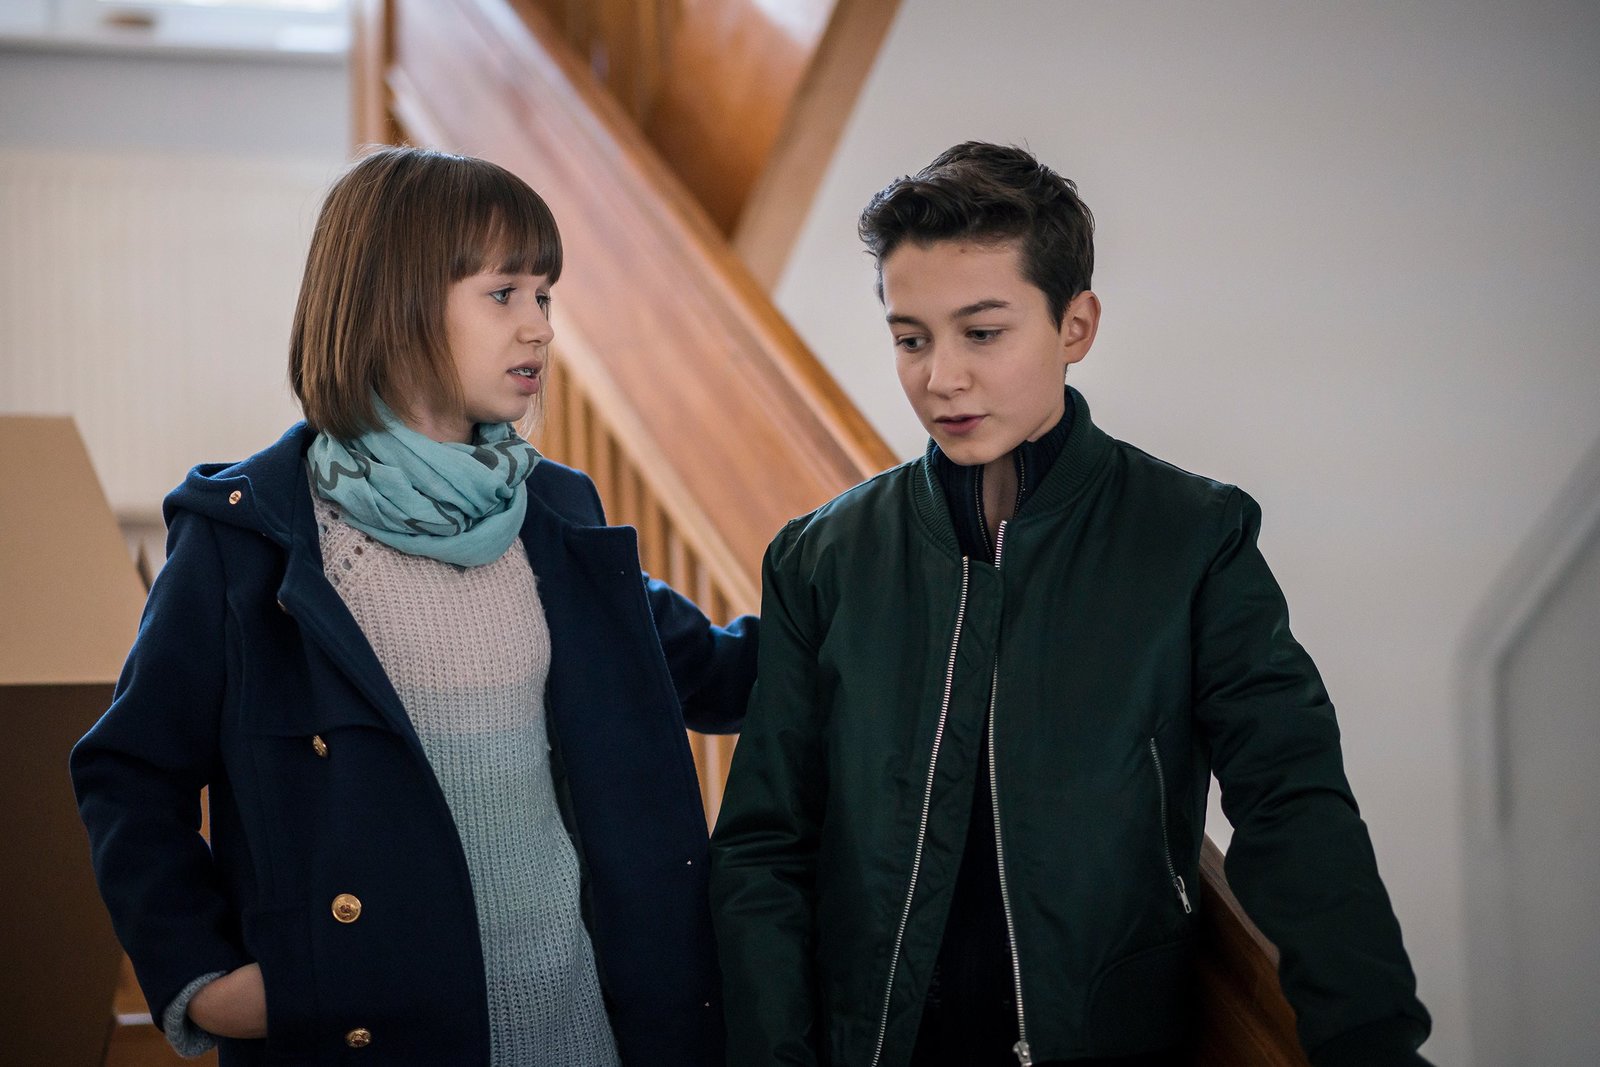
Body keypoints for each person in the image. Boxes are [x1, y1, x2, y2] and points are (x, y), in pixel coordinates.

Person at [709, 142, 1430, 1067]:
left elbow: (1292, 799)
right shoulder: (823, 557)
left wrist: (1372, 1041)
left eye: (982, 332)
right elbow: (765, 846)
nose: (941, 377)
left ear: (1075, 325)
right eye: (911, 338)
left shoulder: (1193, 540)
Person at [71, 146, 755, 1067]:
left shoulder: (556, 509)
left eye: (545, 295)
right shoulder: (248, 536)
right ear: (394, 304)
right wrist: (206, 978)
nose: (541, 327)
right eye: (504, 294)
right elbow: (128, 770)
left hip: (587, 1033)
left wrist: (872, 579)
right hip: (371, 1038)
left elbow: (712, 668)